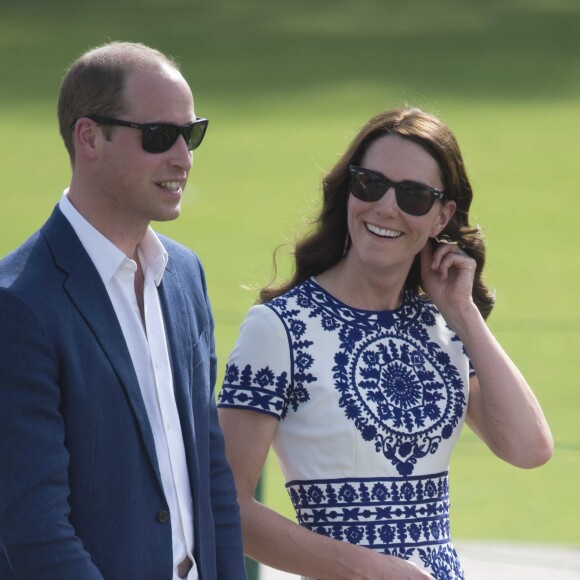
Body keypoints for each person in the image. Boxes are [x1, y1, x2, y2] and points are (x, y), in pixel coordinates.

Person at [217, 107, 553, 579]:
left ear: (443, 217)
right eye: (371, 184)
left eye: (414, 196)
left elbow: (529, 448)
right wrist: (372, 571)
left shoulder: (446, 327)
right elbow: (227, 505)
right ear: (349, 190)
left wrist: (465, 316)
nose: (387, 208)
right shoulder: (277, 329)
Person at [0, 41, 246, 579]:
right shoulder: (18, 305)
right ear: (89, 137)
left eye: (191, 133)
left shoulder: (184, 275)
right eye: (159, 137)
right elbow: (32, 526)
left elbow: (211, 476)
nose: (183, 157)